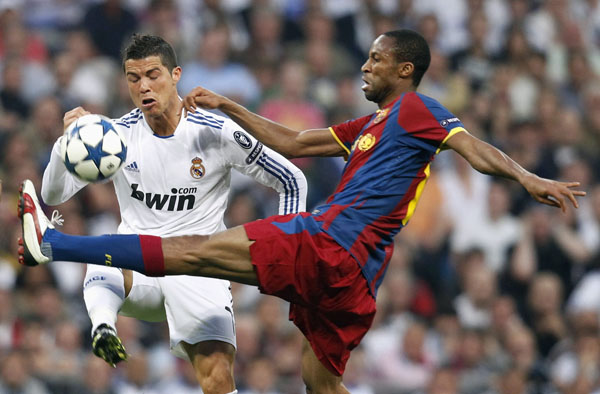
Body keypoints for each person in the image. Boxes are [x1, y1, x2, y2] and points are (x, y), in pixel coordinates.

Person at [18, 29, 585, 393]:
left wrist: (525, 177)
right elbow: (292, 144)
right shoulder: (368, 125)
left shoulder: (419, 110)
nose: (364, 67)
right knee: (319, 382)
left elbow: (475, 149)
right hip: (358, 278)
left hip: (329, 242)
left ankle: (56, 244)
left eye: (376, 60)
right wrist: (230, 104)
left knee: (189, 251)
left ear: (405, 69)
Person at [36, 34, 307, 394]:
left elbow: (291, 179)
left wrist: (288, 254)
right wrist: (65, 143)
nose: (144, 87)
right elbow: (52, 195)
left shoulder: (215, 132)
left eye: (153, 75)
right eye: (134, 79)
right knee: (103, 249)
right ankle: (103, 327)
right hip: (139, 272)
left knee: (218, 379)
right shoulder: (115, 137)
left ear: (176, 74)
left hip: (199, 269)